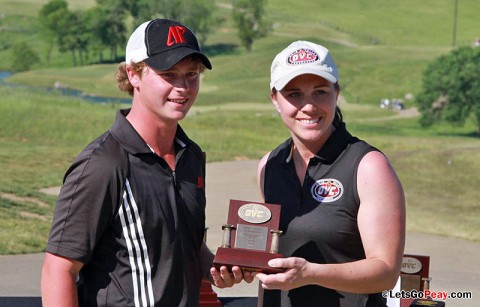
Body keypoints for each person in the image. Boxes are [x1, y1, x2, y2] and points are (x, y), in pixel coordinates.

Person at [41, 19, 251, 307]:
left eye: (192, 74)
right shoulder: (103, 163)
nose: (183, 87)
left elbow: (183, 242)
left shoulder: (190, 156)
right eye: (168, 74)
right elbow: (58, 270)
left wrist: (215, 267)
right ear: (134, 74)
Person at [255, 40, 406, 306]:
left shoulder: (368, 166)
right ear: (274, 99)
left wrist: (311, 274)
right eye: (294, 94)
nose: (309, 106)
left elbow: (386, 273)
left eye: (320, 92)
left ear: (337, 93)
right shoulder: (270, 165)